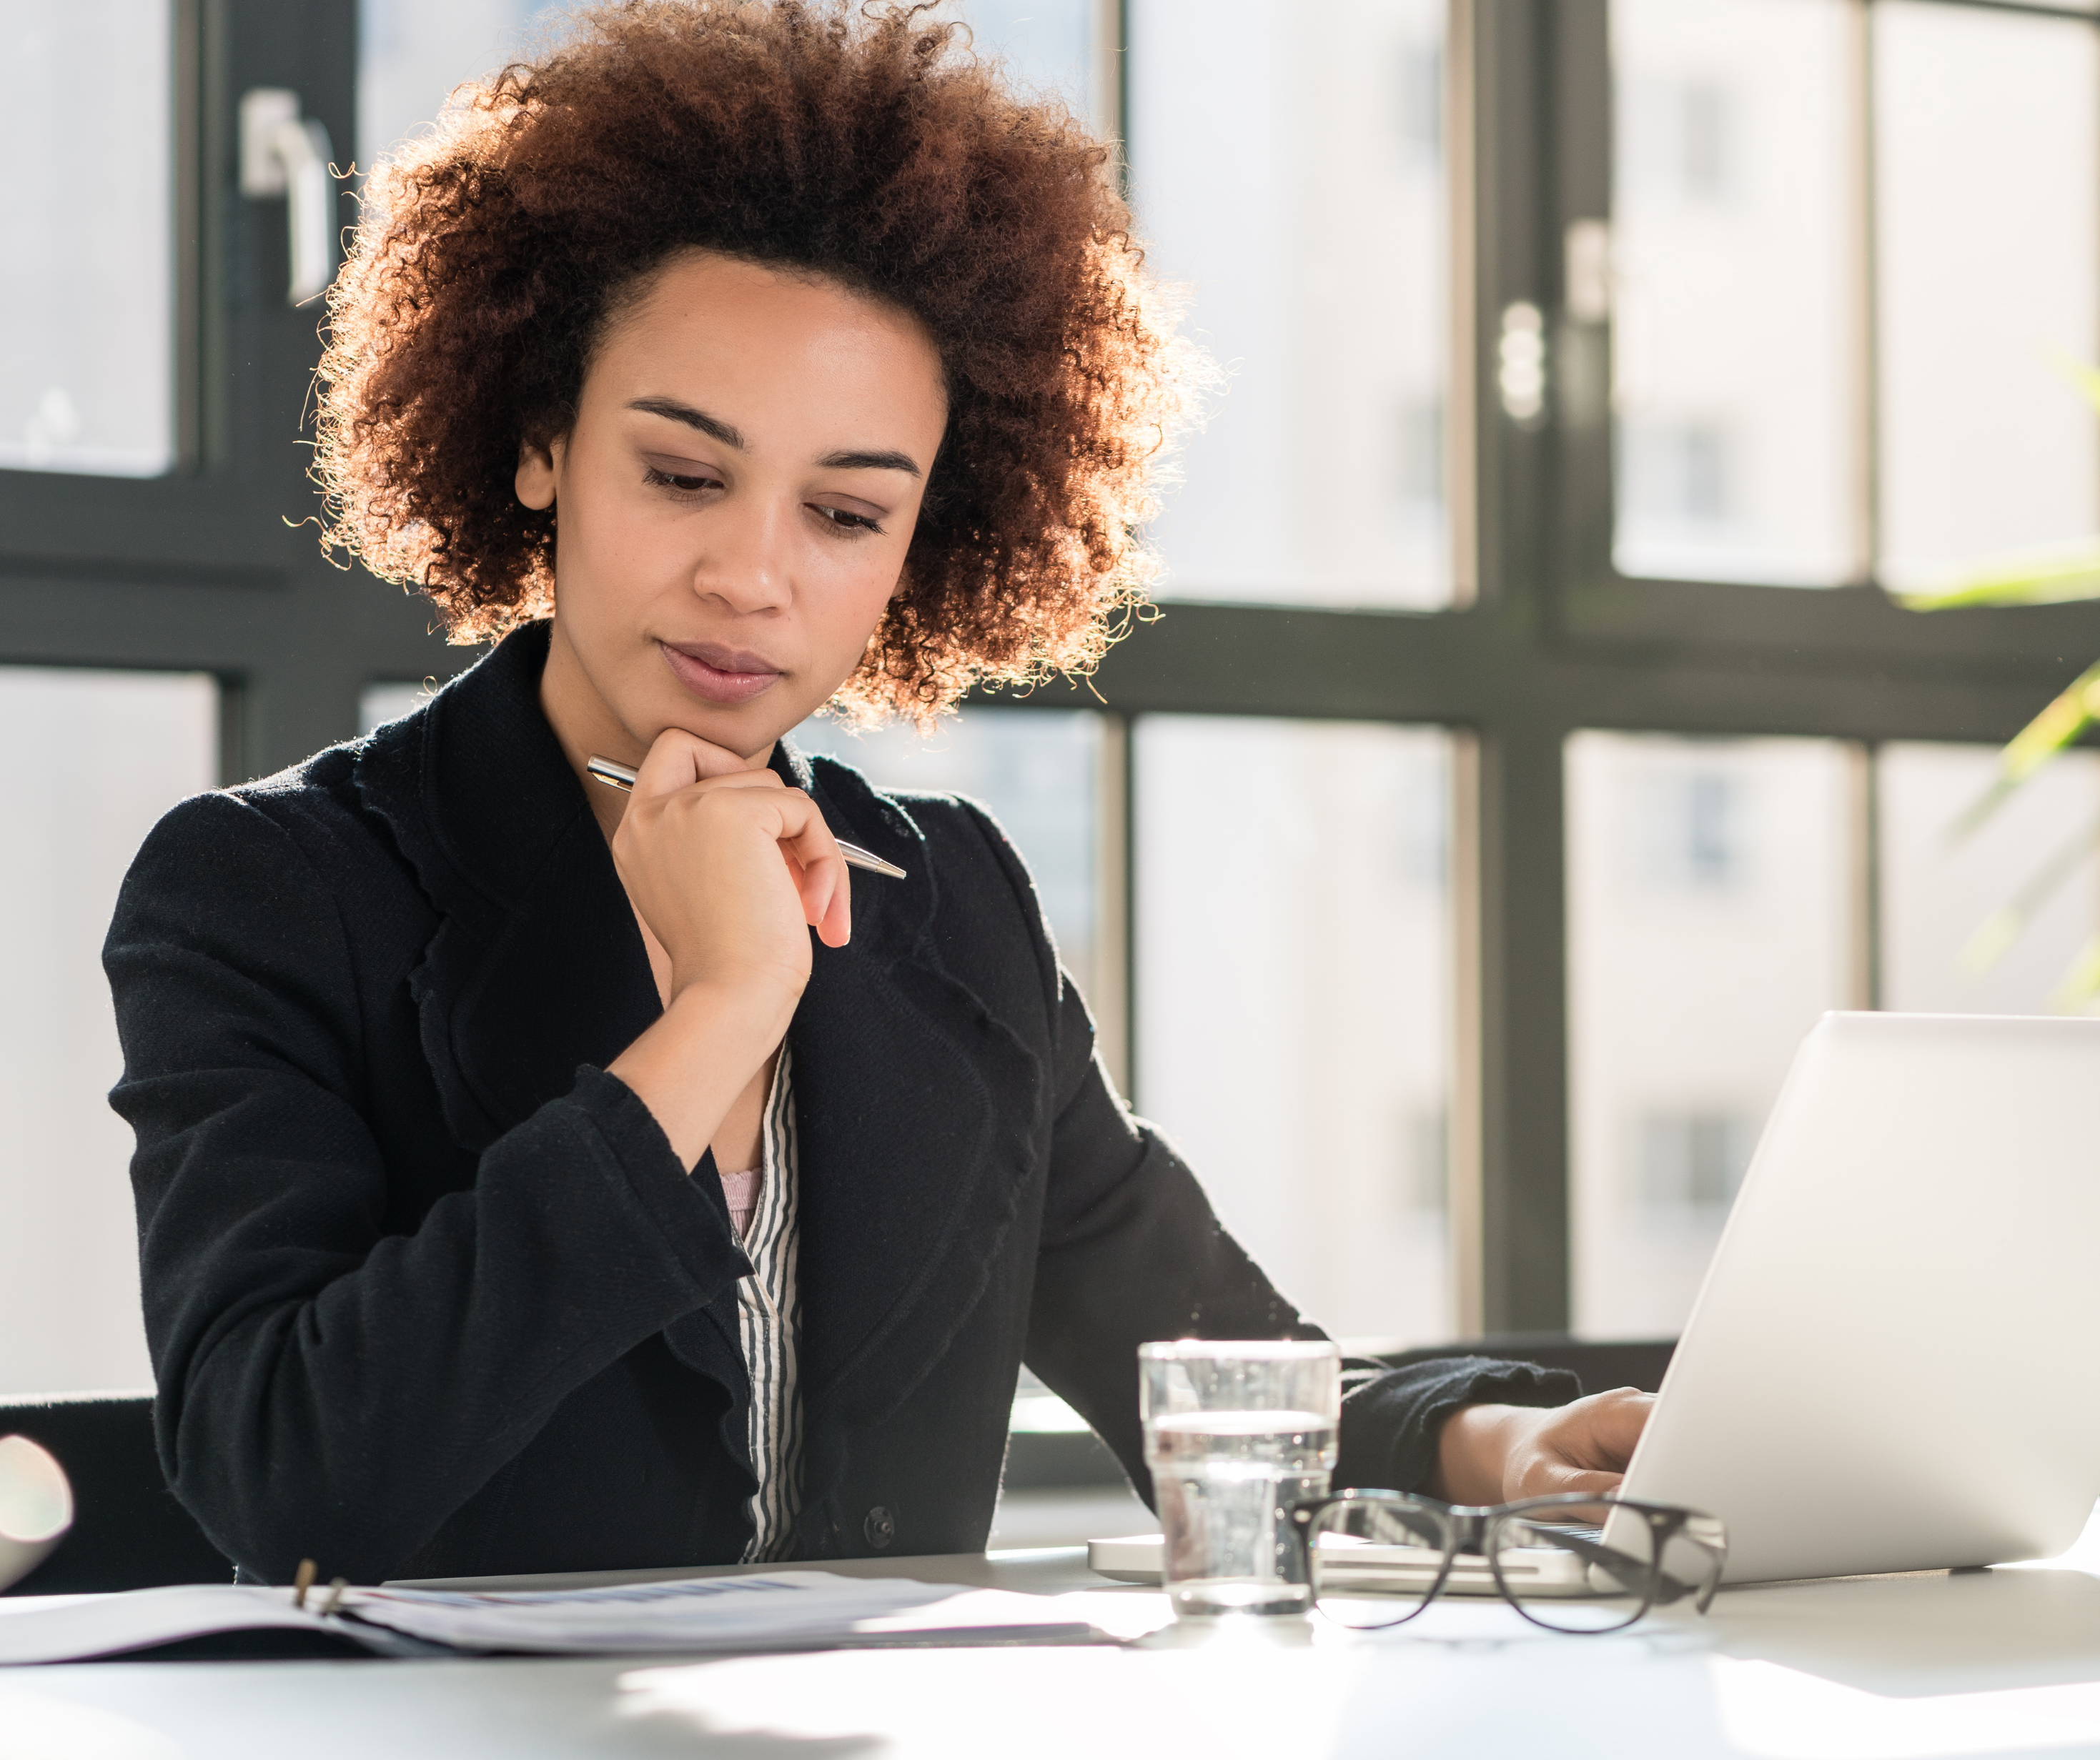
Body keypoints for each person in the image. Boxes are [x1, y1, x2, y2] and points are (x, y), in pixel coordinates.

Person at [104, 0, 1648, 1585]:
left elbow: (1202, 1353)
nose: (752, 576)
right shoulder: (273, 887)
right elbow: (282, 1469)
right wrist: (719, 1009)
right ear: (536, 441)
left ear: (926, 542)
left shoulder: (948, 903)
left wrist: (1490, 1447)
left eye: (846, 510)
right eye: (685, 474)